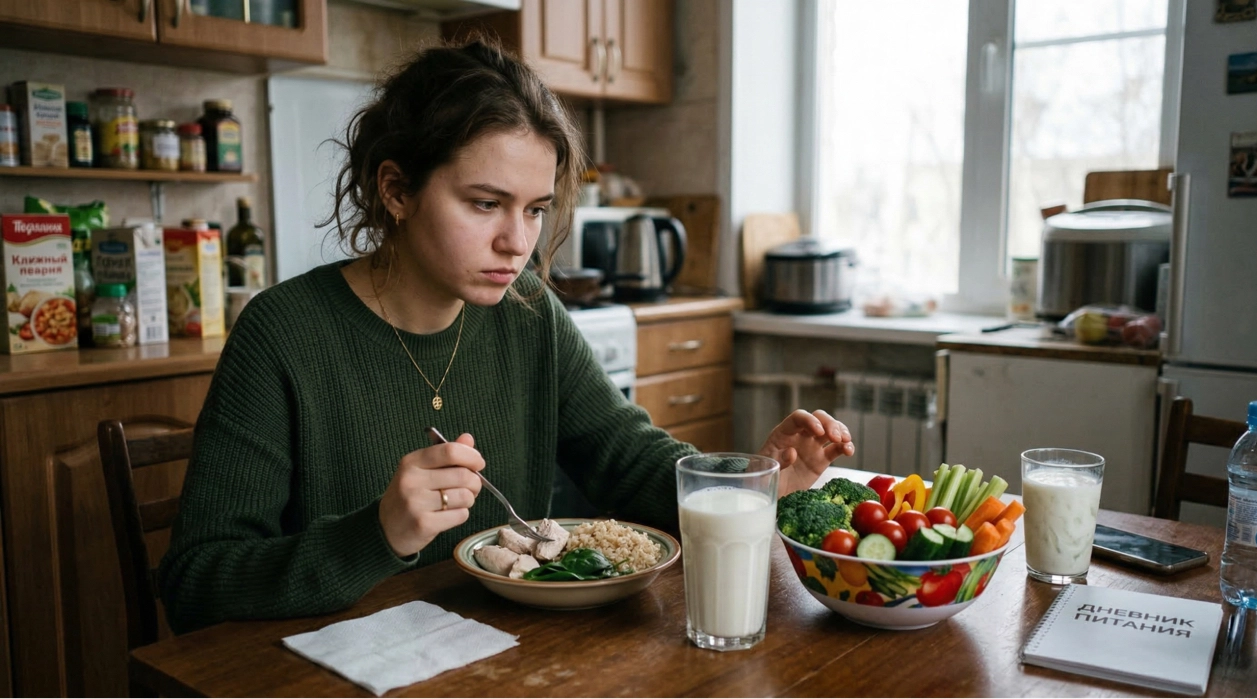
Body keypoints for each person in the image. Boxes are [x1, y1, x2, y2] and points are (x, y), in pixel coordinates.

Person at [158, 38, 854, 635]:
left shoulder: (527, 310)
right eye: (484, 203)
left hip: (508, 665)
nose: (516, 242)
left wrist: (748, 485)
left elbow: (626, 455)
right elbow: (195, 584)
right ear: (396, 190)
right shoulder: (282, 334)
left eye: (535, 210)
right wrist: (379, 532)